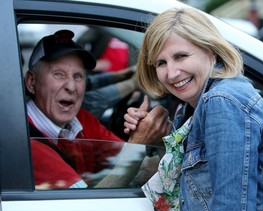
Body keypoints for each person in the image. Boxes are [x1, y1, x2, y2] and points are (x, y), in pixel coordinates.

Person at [123, 8, 263, 211]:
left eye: (181, 56)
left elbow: (232, 210)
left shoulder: (221, 102)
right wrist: (155, 139)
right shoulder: (192, 105)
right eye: (161, 63)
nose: (172, 73)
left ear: (210, 50)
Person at [24, 29, 171, 189]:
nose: (72, 87)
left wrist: (161, 138)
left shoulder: (80, 120)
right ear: (31, 82)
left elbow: (139, 165)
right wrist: (137, 143)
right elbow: (87, 206)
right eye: (59, 74)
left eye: (78, 76)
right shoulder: (28, 144)